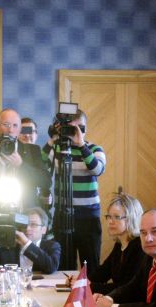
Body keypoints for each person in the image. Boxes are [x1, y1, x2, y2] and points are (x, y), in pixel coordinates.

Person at [42, 108, 106, 273]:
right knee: (64, 266)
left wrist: (82, 146)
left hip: (88, 217)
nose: (77, 132)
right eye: (72, 128)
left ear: (86, 128)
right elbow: (41, 166)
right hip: (62, 215)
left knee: (90, 266)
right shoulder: (58, 149)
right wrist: (53, 139)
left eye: (81, 128)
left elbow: (97, 169)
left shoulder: (94, 149)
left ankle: (90, 290)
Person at [0, 108, 51, 217]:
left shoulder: (32, 150)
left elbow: (46, 182)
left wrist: (21, 165)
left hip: (26, 215)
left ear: (20, 129)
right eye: (6, 124)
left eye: (15, 125)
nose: (10, 130)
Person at [86, 192, 143, 295]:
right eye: (109, 216)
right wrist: (81, 281)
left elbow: (125, 287)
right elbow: (102, 273)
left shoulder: (139, 247)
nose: (110, 222)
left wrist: (88, 286)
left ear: (131, 218)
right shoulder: (119, 244)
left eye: (117, 217)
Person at [0, 207, 60, 273]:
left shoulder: (52, 246)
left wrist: (26, 244)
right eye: (24, 224)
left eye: (33, 225)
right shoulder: (9, 245)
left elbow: (51, 267)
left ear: (44, 230)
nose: (27, 228)